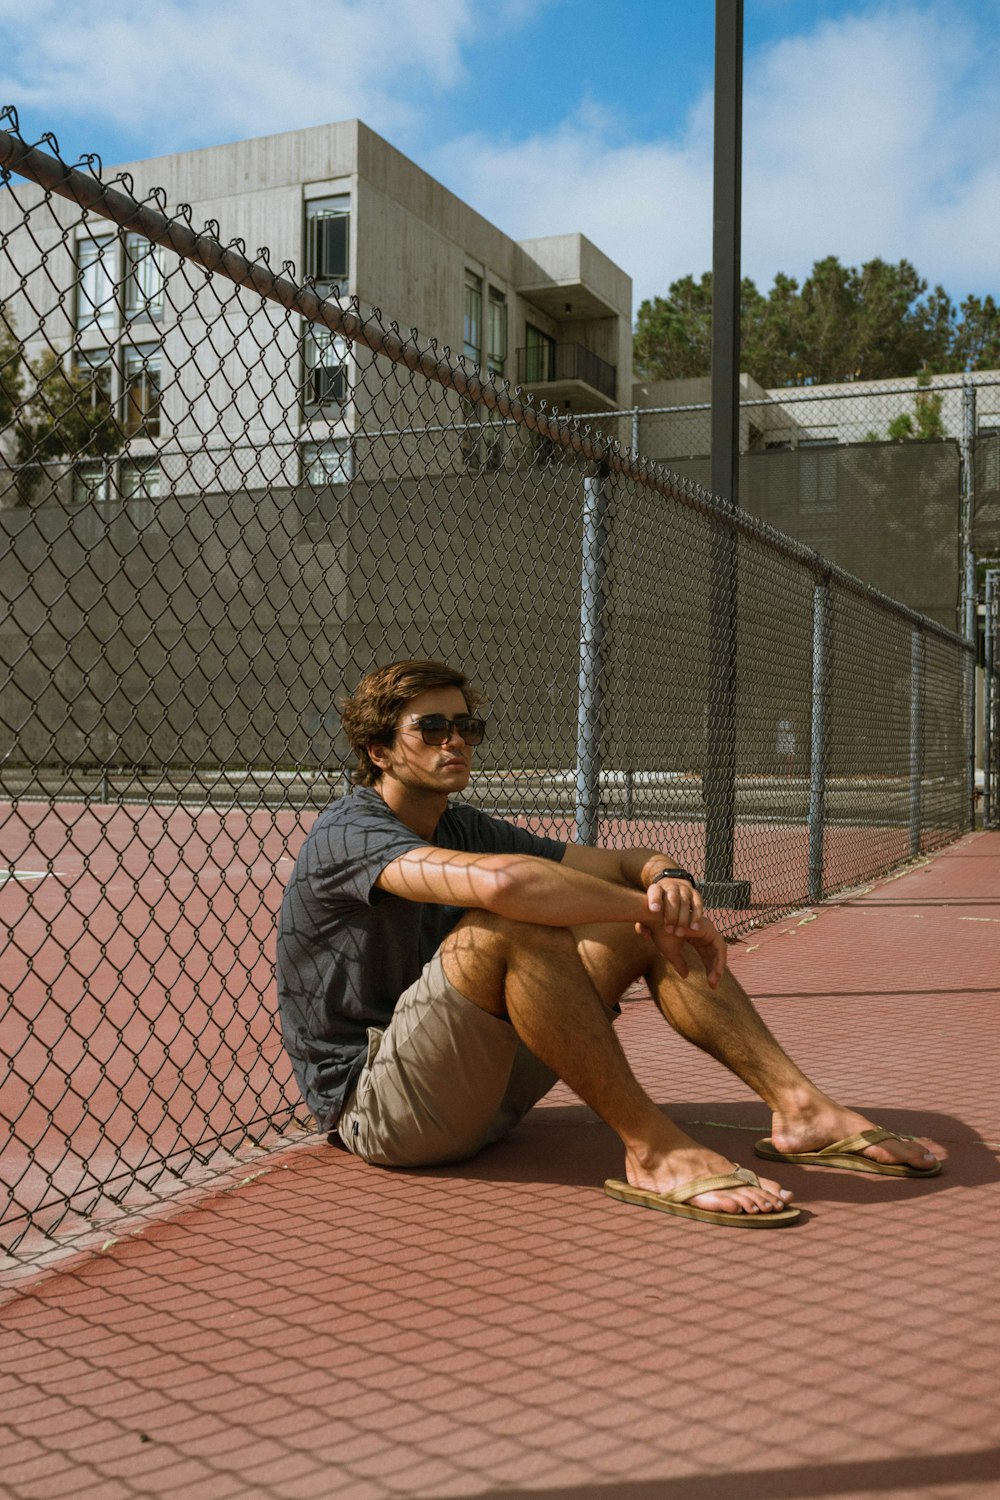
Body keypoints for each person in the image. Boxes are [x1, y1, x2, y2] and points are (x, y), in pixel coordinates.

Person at [276, 659, 940, 1229]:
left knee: (627, 926)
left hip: (484, 1093)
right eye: (432, 727)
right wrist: (650, 910)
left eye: (466, 727)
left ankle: (802, 1111)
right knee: (513, 926)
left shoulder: (462, 824)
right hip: (384, 1111)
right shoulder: (350, 832)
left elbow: (626, 862)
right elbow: (510, 888)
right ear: (379, 750)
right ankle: (653, 1152)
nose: (456, 741)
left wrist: (666, 880)